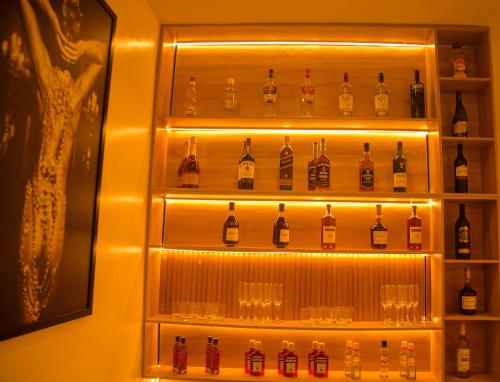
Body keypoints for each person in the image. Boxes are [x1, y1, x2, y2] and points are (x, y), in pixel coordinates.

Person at [18, 0, 106, 323]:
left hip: (59, 198)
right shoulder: (46, 77)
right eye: (66, 23)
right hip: (38, 191)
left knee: (48, 284)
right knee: (26, 282)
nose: (69, 30)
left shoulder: (76, 93)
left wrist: (82, 46)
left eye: (73, 24)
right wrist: (50, 18)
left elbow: (102, 53)